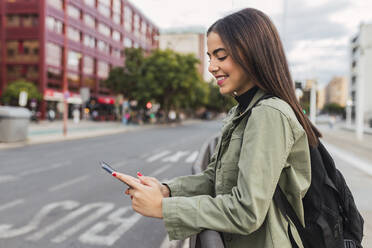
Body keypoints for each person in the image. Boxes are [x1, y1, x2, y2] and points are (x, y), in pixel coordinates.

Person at [114, 8, 322, 248]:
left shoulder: (269, 114)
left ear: (252, 53)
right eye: (210, 56)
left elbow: (247, 211)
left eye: (221, 56)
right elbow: (215, 178)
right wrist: (166, 190)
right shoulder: (241, 112)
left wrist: (165, 208)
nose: (212, 67)